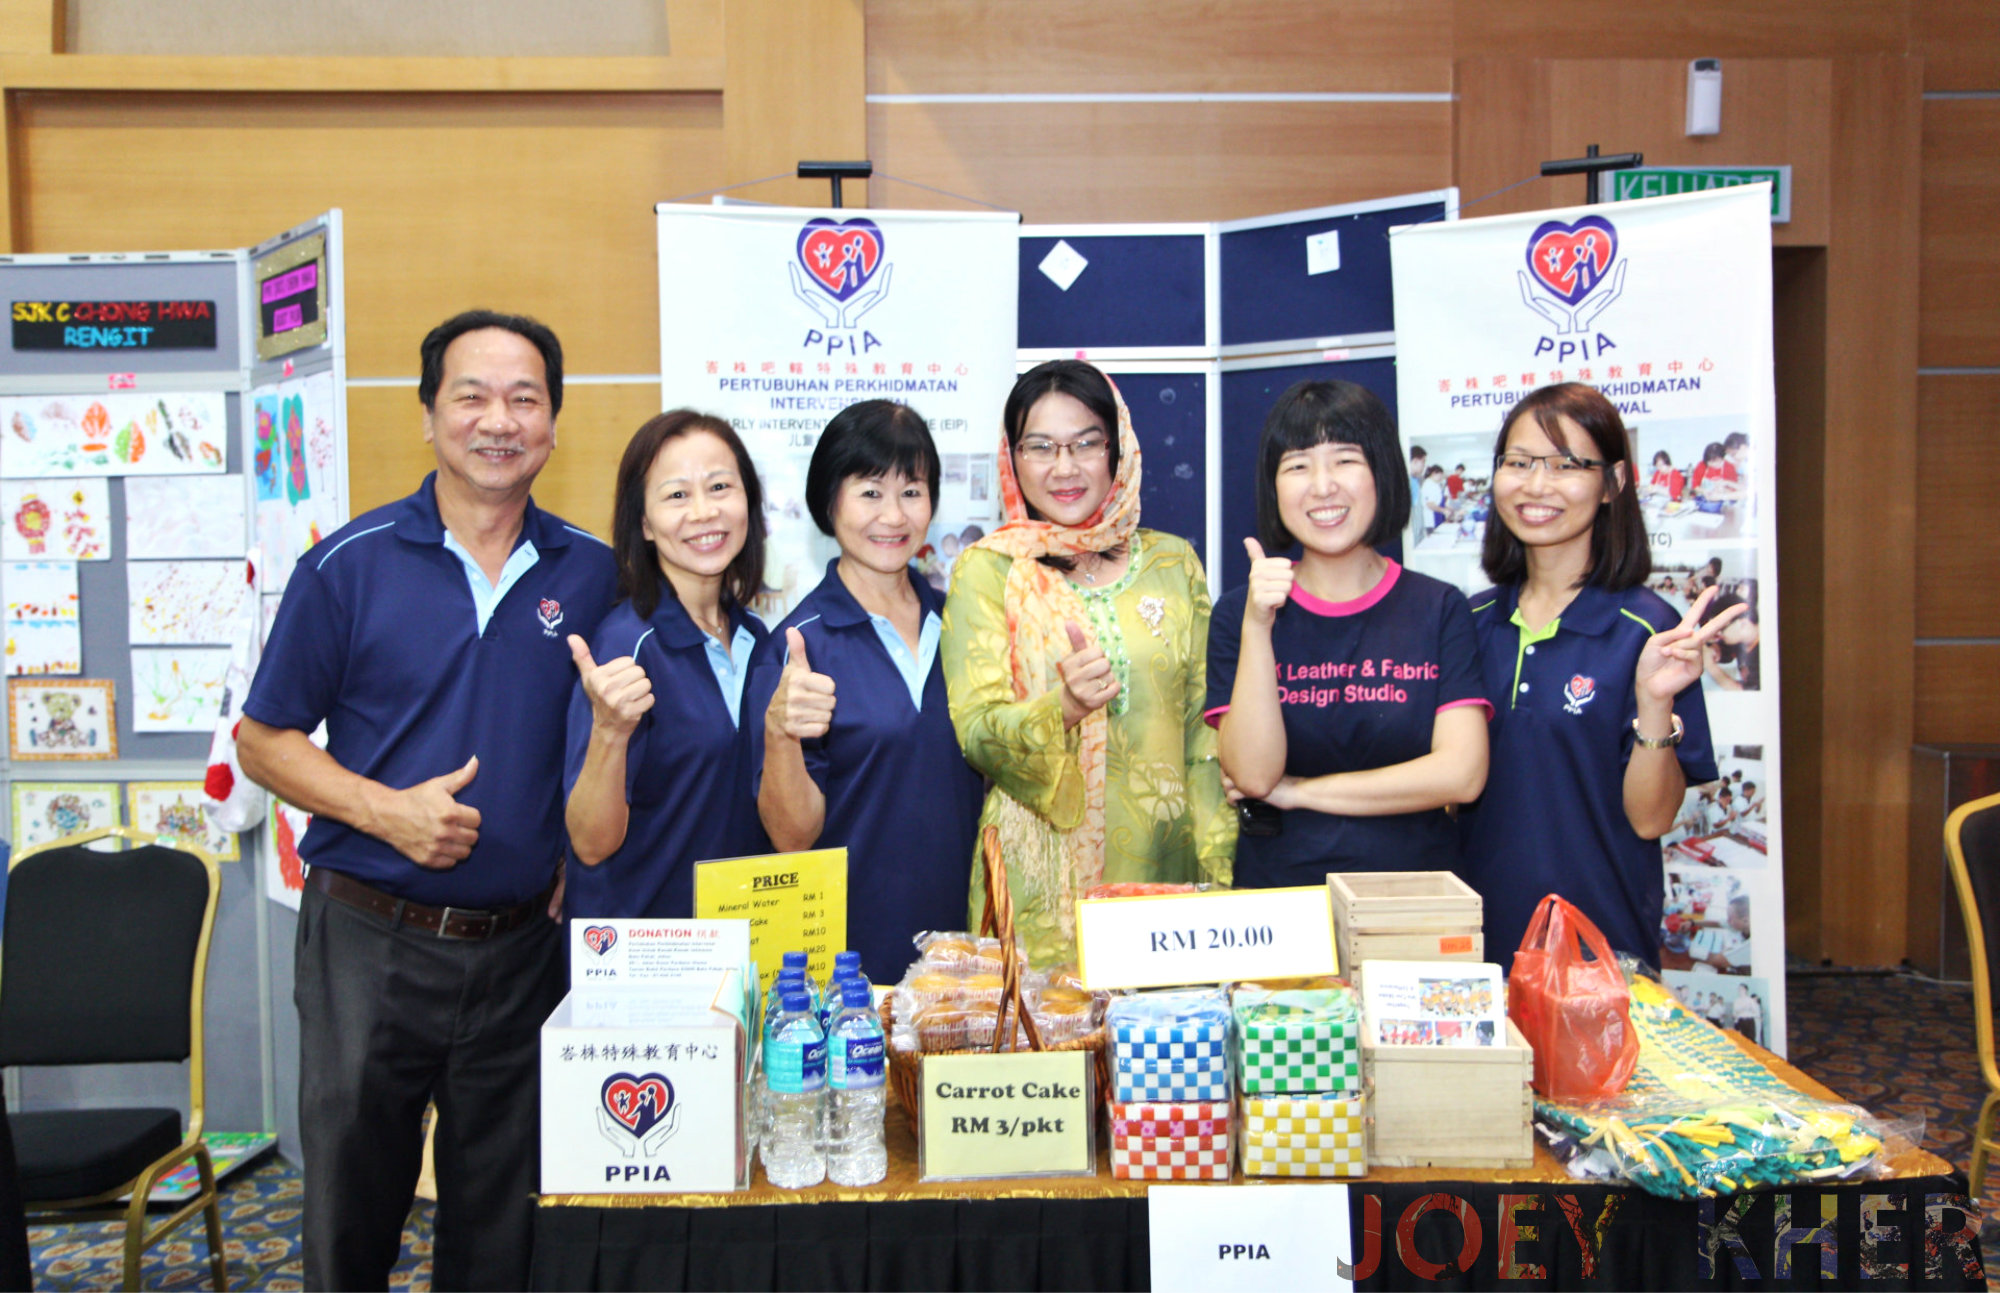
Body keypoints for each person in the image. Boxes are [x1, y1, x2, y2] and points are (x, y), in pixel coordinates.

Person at [237, 310, 617, 1290]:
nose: (499, 420)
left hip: (523, 951)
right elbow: (262, 741)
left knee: (503, 1227)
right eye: (472, 396)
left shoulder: (591, 572)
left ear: (553, 423)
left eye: (524, 399)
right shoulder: (348, 565)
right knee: (350, 1215)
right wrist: (383, 810)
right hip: (370, 941)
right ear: (427, 414)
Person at [941, 359, 1233, 968]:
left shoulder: (1172, 563)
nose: (1064, 467)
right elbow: (977, 733)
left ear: (1117, 450)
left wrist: (1218, 862)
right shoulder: (988, 570)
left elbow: (1204, 731)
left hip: (1166, 868)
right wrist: (1064, 708)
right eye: (1041, 446)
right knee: (1051, 1024)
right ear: (1013, 457)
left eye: (1085, 444)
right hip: (1040, 878)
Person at [1457, 383, 1744, 970]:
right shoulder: (1468, 622)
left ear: (1613, 482)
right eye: (1519, 462)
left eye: (1566, 465)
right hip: (1471, 944)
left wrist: (1654, 703)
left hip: (1597, 950)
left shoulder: (1650, 630)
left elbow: (1652, 818)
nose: (1537, 485)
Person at [1207, 379, 1489, 889]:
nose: (1322, 486)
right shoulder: (1238, 614)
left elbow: (1462, 775)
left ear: (1382, 471)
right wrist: (1258, 626)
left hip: (1417, 901)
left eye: (1345, 460)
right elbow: (1253, 775)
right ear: (1273, 486)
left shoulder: (1439, 607)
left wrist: (1299, 792)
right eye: (1297, 466)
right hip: (1284, 904)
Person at [745, 401, 983, 985]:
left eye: (912, 491)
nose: (893, 516)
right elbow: (791, 838)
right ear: (829, 502)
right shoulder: (797, 647)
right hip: (854, 971)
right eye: (870, 492)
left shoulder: (966, 625)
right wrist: (780, 732)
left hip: (971, 957)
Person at [564, 411, 771, 920]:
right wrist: (610, 731)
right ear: (644, 524)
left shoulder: (759, 641)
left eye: (720, 487)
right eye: (677, 495)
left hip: (743, 944)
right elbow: (589, 843)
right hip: (647, 950)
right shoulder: (626, 646)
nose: (704, 512)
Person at [1702, 590, 1760, 690]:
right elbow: (1724, 651)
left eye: (1721, 629)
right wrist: (1715, 649)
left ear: (1743, 623)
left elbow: (1745, 693)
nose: (1717, 635)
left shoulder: (1764, 654)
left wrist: (1710, 666)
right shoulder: (1740, 642)